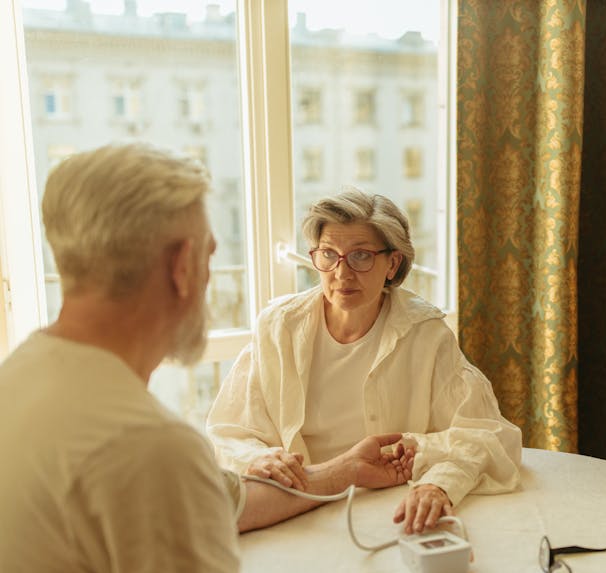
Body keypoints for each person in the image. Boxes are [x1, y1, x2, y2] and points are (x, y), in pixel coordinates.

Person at [0, 143, 414, 573]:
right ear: (182, 266)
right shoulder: (151, 450)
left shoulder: (18, 378)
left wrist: (343, 470)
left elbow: (227, 500)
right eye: (210, 255)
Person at [207, 188, 522, 534]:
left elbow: (487, 434)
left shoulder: (427, 335)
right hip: (294, 508)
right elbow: (228, 431)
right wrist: (258, 458)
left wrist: (438, 483)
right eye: (329, 254)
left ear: (393, 263)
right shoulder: (278, 326)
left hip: (388, 511)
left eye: (360, 256)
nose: (342, 274)